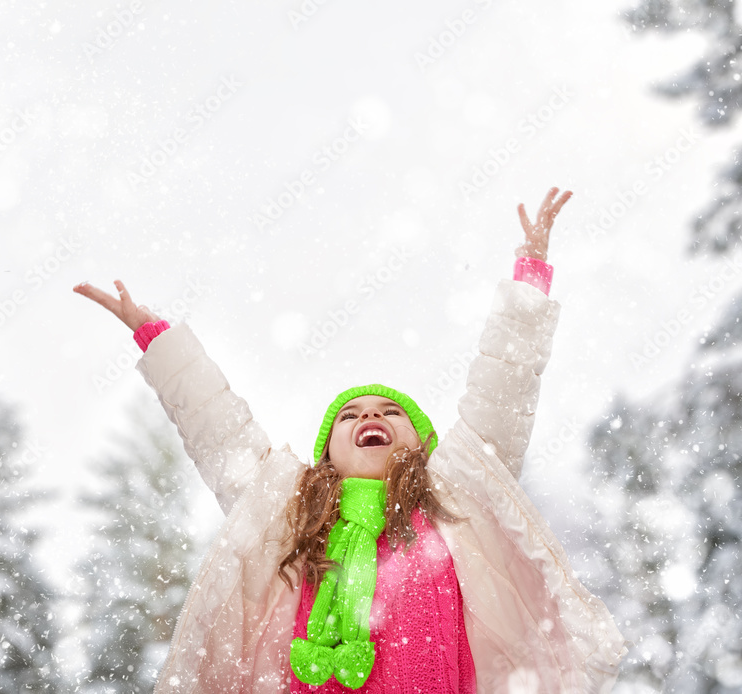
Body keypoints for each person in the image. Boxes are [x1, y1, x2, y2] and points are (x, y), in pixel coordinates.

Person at [73, 188, 628, 693]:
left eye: (392, 411)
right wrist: (158, 340)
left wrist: (529, 277)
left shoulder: (457, 496)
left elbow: (504, 382)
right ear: (327, 454)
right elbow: (218, 428)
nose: (371, 416)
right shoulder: (287, 508)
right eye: (350, 414)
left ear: (424, 444)